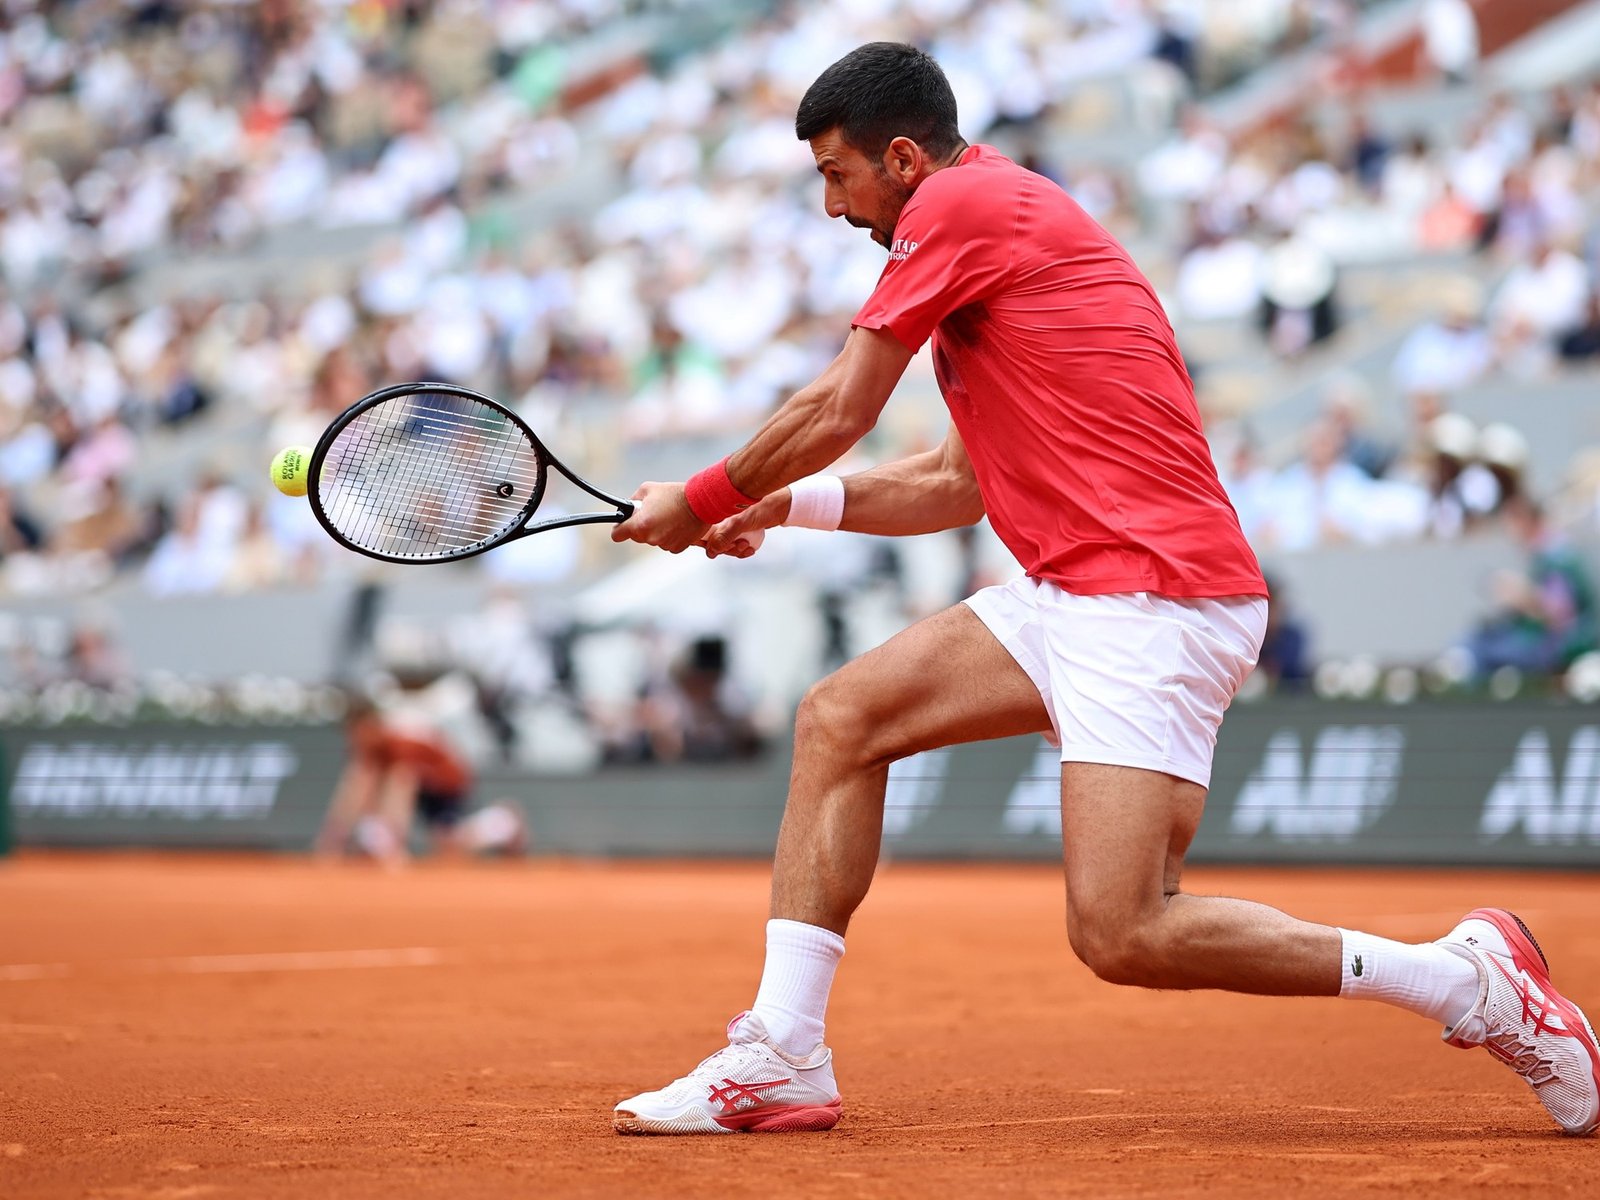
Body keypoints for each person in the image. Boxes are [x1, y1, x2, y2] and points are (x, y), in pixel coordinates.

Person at [607, 44, 1599, 1137]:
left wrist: (699, 497)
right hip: (1073, 592)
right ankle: (784, 1053)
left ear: (902, 159)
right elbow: (954, 480)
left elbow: (841, 406)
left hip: (1151, 596)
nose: (833, 206)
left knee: (1124, 932)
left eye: (838, 176)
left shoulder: (967, 205)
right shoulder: (999, 230)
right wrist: (779, 507)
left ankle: (1466, 985)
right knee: (841, 719)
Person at [314, 696, 527, 865]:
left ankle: (504, 823)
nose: (354, 740)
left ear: (370, 724)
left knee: (449, 843)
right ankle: (379, 841)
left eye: (357, 732)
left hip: (446, 782)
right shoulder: (373, 743)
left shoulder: (402, 740)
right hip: (425, 785)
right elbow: (356, 786)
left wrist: (393, 842)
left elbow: (401, 789)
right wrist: (333, 838)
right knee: (446, 842)